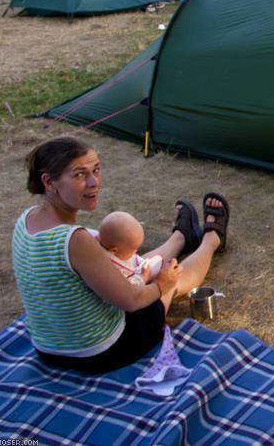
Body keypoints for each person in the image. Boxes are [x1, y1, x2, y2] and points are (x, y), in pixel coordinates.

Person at [12, 136, 229, 375]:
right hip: (102, 352)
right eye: (79, 174)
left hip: (49, 349)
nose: (94, 182)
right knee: (170, 277)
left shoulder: (26, 219)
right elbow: (132, 301)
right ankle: (211, 240)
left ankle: (181, 236)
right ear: (49, 182)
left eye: (96, 170)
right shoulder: (75, 240)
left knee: (127, 262)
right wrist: (161, 286)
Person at [97, 211, 160, 286]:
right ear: (114, 250)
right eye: (133, 249)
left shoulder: (94, 242)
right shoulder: (110, 268)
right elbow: (126, 288)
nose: (136, 251)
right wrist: (142, 277)